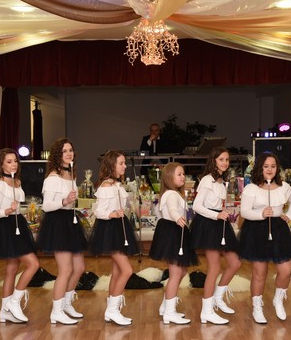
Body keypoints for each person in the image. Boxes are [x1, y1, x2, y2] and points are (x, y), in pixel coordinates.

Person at [239, 153, 291, 323]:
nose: (270, 169)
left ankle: (278, 299)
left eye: (273, 166)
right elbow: (244, 211)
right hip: (256, 230)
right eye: (266, 166)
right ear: (259, 168)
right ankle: (257, 306)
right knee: (260, 273)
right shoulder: (251, 188)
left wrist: (289, 215)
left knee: (286, 269)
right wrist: (261, 214)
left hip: (278, 230)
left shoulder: (284, 187)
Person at [36, 138, 88, 325]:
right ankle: (56, 312)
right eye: (64, 151)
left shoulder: (71, 174)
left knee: (79, 268)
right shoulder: (52, 178)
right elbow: (46, 206)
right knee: (65, 269)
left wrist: (71, 202)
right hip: (58, 223)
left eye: (71, 150)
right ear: (58, 155)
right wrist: (65, 201)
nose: (69, 153)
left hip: (69, 220)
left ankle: (66, 304)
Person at [0, 148, 40, 324]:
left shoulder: (17, 182)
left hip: (18, 224)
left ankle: (4, 311)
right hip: (5, 226)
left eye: (15, 161)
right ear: (1, 165)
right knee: (33, 264)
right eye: (9, 162)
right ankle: (14, 301)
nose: (13, 164)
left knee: (11, 269)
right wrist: (7, 210)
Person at [190, 146, 241, 325]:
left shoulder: (220, 181)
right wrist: (216, 215)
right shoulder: (207, 180)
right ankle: (206, 311)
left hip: (219, 222)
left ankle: (217, 297)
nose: (225, 163)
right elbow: (196, 206)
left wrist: (222, 212)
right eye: (221, 159)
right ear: (213, 161)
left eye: (227, 160)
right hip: (208, 224)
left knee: (235, 262)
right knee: (214, 267)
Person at [88, 150, 139, 326]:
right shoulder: (106, 187)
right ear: (112, 165)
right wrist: (111, 214)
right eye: (121, 163)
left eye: (125, 163)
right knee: (127, 270)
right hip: (111, 229)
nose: (125, 166)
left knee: (117, 271)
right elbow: (98, 211)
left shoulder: (116, 185)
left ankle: (111, 310)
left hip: (119, 227)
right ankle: (112, 310)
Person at [149, 162, 199, 325]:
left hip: (175, 231)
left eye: (183, 174)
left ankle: (166, 306)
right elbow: (171, 209)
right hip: (173, 232)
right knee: (176, 273)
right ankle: (169, 313)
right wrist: (177, 217)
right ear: (169, 177)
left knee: (181, 271)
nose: (183, 177)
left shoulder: (174, 193)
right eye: (179, 174)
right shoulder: (171, 194)